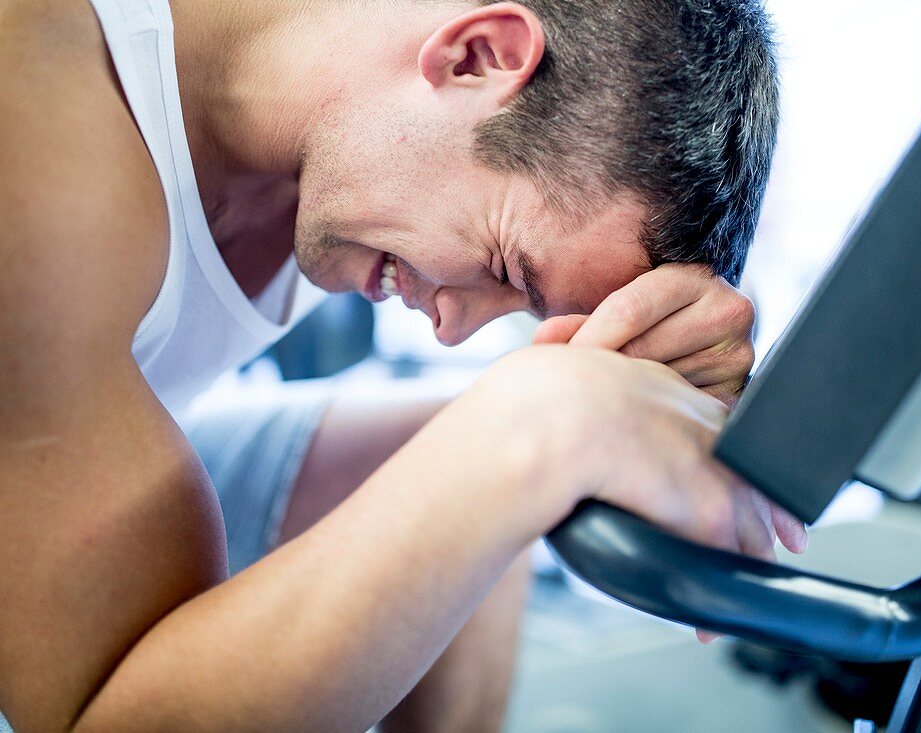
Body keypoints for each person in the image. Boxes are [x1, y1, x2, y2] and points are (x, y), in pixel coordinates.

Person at [0, 0, 806, 730]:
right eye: (503, 264)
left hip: (63, 449)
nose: (453, 328)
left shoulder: (349, 113)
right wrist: (539, 428)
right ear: (477, 54)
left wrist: (657, 378)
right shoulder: (40, 147)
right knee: (503, 451)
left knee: (486, 474)